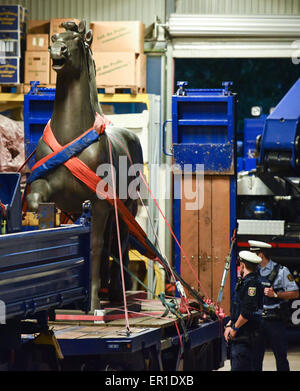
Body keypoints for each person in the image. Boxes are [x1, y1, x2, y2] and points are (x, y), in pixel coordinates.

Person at [248, 240, 299, 371]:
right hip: (257, 320)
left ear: (260, 255)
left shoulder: (282, 271)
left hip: (275, 320)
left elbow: (295, 293)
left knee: (281, 357)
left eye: (253, 253)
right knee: (255, 358)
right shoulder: (253, 272)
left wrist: (276, 295)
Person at [224, 250, 263, 371]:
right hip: (242, 338)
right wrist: (230, 323)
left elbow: (247, 311)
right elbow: (239, 307)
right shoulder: (245, 282)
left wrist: (235, 328)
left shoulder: (252, 284)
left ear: (242, 265)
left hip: (246, 339)